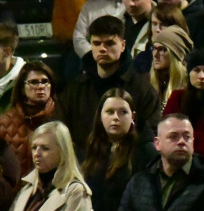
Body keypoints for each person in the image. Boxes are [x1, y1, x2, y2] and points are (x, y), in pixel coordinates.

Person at [59, 15, 161, 149]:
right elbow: (62, 133)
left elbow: (150, 135)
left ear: (123, 45)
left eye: (110, 43)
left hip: (129, 163)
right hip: (84, 164)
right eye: (96, 43)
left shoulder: (141, 88)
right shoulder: (75, 90)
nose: (102, 48)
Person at [0, 62, 60, 176]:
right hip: (17, 190)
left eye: (45, 81)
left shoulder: (61, 116)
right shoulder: (5, 123)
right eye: (34, 82)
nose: (40, 86)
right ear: (22, 88)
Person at [164, 49, 204, 158]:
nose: (202, 76)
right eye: (196, 70)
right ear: (189, 73)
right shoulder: (177, 97)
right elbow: (167, 130)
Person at [149, 26, 193, 108]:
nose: (155, 54)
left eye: (162, 49)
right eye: (154, 48)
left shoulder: (188, 90)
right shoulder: (147, 84)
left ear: (175, 55)